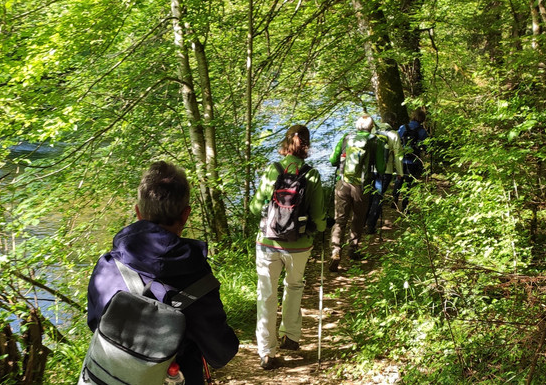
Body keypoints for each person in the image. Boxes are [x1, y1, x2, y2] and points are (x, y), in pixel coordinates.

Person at [86, 161, 239, 384]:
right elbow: (220, 351)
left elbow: (94, 323)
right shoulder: (196, 276)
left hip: (111, 376)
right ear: (185, 215)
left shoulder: (107, 265)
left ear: (138, 212)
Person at [250, 125, 326, 371]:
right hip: (299, 245)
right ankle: (291, 336)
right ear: (306, 145)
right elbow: (319, 217)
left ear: (286, 143)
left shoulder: (273, 170)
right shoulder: (312, 174)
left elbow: (254, 208)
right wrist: (321, 228)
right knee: (294, 286)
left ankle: (266, 352)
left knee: (266, 296)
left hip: (268, 243)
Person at [328, 114, 383, 271]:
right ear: (371, 127)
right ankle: (353, 250)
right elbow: (380, 167)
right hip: (362, 186)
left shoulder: (346, 137)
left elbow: (333, 160)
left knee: (340, 220)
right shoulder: (375, 141)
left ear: (357, 125)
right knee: (358, 218)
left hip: (343, 183)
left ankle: (335, 251)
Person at [365, 121, 404, 238]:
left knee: (368, 195)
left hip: (370, 169)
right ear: (392, 122)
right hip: (385, 171)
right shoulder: (393, 134)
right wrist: (400, 172)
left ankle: (363, 221)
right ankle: (370, 225)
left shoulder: (372, 131)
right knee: (378, 197)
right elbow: (398, 155)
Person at [395, 108, 429, 212]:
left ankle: (394, 201)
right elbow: (426, 147)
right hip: (413, 161)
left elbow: (397, 140)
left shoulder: (403, 128)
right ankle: (405, 206)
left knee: (399, 180)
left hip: (401, 159)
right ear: (422, 119)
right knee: (408, 183)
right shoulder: (422, 131)